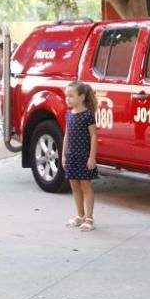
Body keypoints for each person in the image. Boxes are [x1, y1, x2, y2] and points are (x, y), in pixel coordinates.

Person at [62, 81, 99, 231]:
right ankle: (80, 215)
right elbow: (66, 136)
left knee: (85, 185)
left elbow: (94, 136)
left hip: (83, 156)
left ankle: (89, 218)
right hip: (71, 156)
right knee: (74, 186)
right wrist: (64, 155)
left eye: (71, 96)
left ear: (82, 97)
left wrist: (92, 157)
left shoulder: (88, 115)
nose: (68, 99)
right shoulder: (69, 115)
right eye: (67, 96)